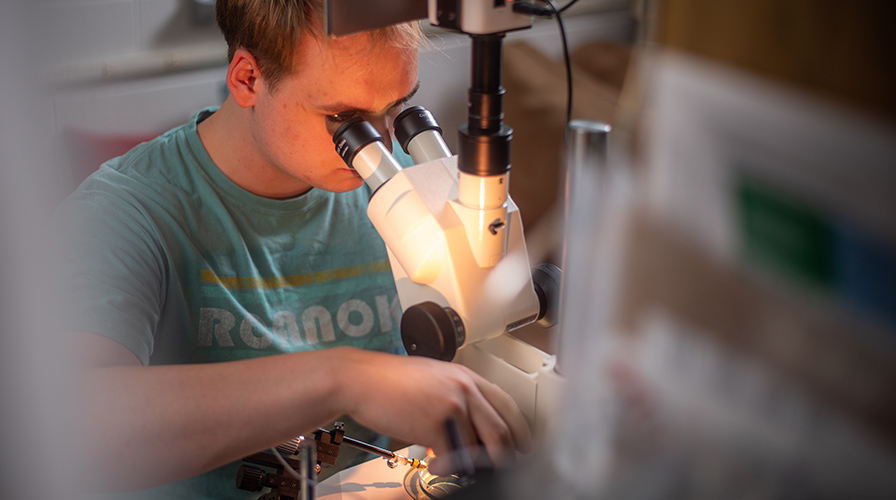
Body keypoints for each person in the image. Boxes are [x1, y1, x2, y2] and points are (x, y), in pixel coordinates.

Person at [53, 0, 531, 498]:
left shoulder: (391, 188)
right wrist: (345, 380)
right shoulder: (125, 212)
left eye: (397, 108)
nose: (383, 142)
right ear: (246, 79)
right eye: (346, 120)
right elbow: (69, 425)